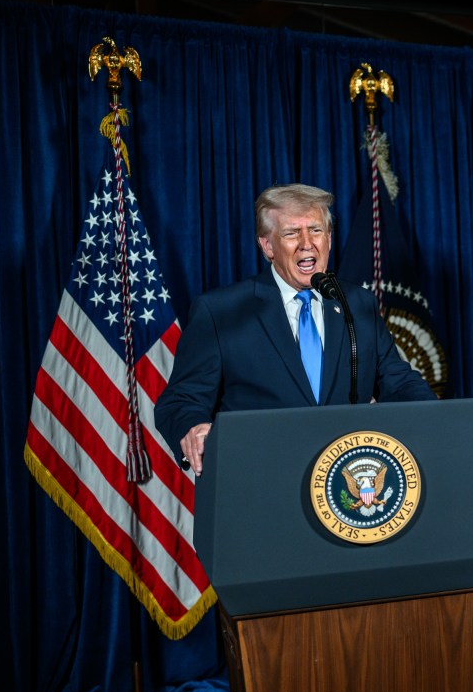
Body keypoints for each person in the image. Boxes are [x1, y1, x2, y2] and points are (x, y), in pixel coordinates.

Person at [155, 182, 437, 474]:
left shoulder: (356, 303)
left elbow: (398, 382)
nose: (306, 243)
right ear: (267, 246)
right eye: (291, 233)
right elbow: (180, 400)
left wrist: (440, 418)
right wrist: (194, 428)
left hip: (343, 481)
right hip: (259, 477)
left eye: (316, 230)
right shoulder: (220, 311)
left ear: (329, 239)